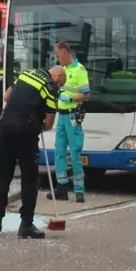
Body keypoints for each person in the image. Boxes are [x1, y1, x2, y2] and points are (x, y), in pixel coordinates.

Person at [0, 66, 66, 239]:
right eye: (61, 83)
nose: (59, 87)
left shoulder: (26, 74)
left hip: (4, 129)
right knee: (30, 178)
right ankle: (26, 224)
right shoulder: (50, 87)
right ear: (58, 76)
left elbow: (7, 96)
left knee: (3, 175)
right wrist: (37, 122)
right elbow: (48, 123)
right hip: (25, 133)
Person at [53, 41, 91, 203]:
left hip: (72, 116)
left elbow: (87, 94)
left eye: (58, 54)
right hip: (61, 116)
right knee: (59, 152)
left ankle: (79, 189)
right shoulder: (61, 70)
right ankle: (61, 187)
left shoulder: (79, 69)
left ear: (65, 52)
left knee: (75, 153)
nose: (57, 57)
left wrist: (68, 98)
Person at [0, 47, 21, 166]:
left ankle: (13, 156)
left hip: (9, 102)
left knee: (11, 130)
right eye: (0, 54)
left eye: (3, 54)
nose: (1, 56)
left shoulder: (15, 64)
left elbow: (14, 79)